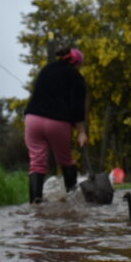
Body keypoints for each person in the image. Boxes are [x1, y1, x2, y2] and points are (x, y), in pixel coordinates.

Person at [24, 47, 88, 203]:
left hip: (33, 119)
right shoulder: (76, 77)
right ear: (77, 63)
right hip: (58, 123)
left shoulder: (46, 69)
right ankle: (73, 201)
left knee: (36, 164)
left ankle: (35, 203)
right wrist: (81, 132)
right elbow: (77, 108)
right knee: (66, 160)